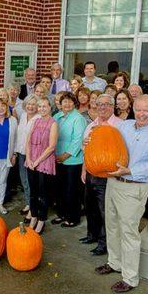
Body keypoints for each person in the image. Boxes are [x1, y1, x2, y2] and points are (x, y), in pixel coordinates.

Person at [96, 95, 148, 293]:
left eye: (146, 110)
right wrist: (93, 139)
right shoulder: (125, 126)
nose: (141, 114)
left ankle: (130, 277)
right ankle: (114, 263)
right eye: (138, 109)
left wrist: (129, 171)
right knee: (112, 225)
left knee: (128, 232)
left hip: (134, 186)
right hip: (113, 182)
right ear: (133, 109)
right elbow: (107, 143)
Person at [80, 94, 122, 256]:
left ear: (113, 107)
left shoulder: (120, 125)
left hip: (107, 175)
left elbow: (123, 151)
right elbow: (86, 150)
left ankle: (104, 243)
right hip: (90, 172)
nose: (102, 107)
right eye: (99, 104)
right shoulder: (91, 125)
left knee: (105, 210)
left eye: (106, 104)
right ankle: (92, 235)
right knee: (90, 206)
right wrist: (84, 169)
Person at [52, 93, 86, 227]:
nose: (67, 104)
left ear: (74, 103)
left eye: (70, 102)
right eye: (64, 102)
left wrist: (65, 155)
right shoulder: (57, 117)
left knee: (71, 190)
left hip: (72, 161)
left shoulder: (78, 118)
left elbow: (78, 140)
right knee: (59, 189)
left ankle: (73, 217)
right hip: (57, 158)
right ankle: (62, 214)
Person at [25, 96, 58, 234]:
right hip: (31, 161)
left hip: (44, 161)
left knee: (43, 194)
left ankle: (41, 220)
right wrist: (28, 158)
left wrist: (37, 161)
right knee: (33, 192)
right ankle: (33, 216)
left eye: (44, 106)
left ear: (50, 108)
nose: (42, 109)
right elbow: (27, 142)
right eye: (40, 106)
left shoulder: (53, 123)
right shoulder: (35, 121)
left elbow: (52, 147)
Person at [14, 94, 40, 217]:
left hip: (33, 155)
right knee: (24, 180)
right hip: (21, 153)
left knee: (32, 182)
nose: (30, 106)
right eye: (29, 104)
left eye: (34, 104)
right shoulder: (23, 116)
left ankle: (33, 209)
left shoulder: (39, 118)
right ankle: (28, 203)